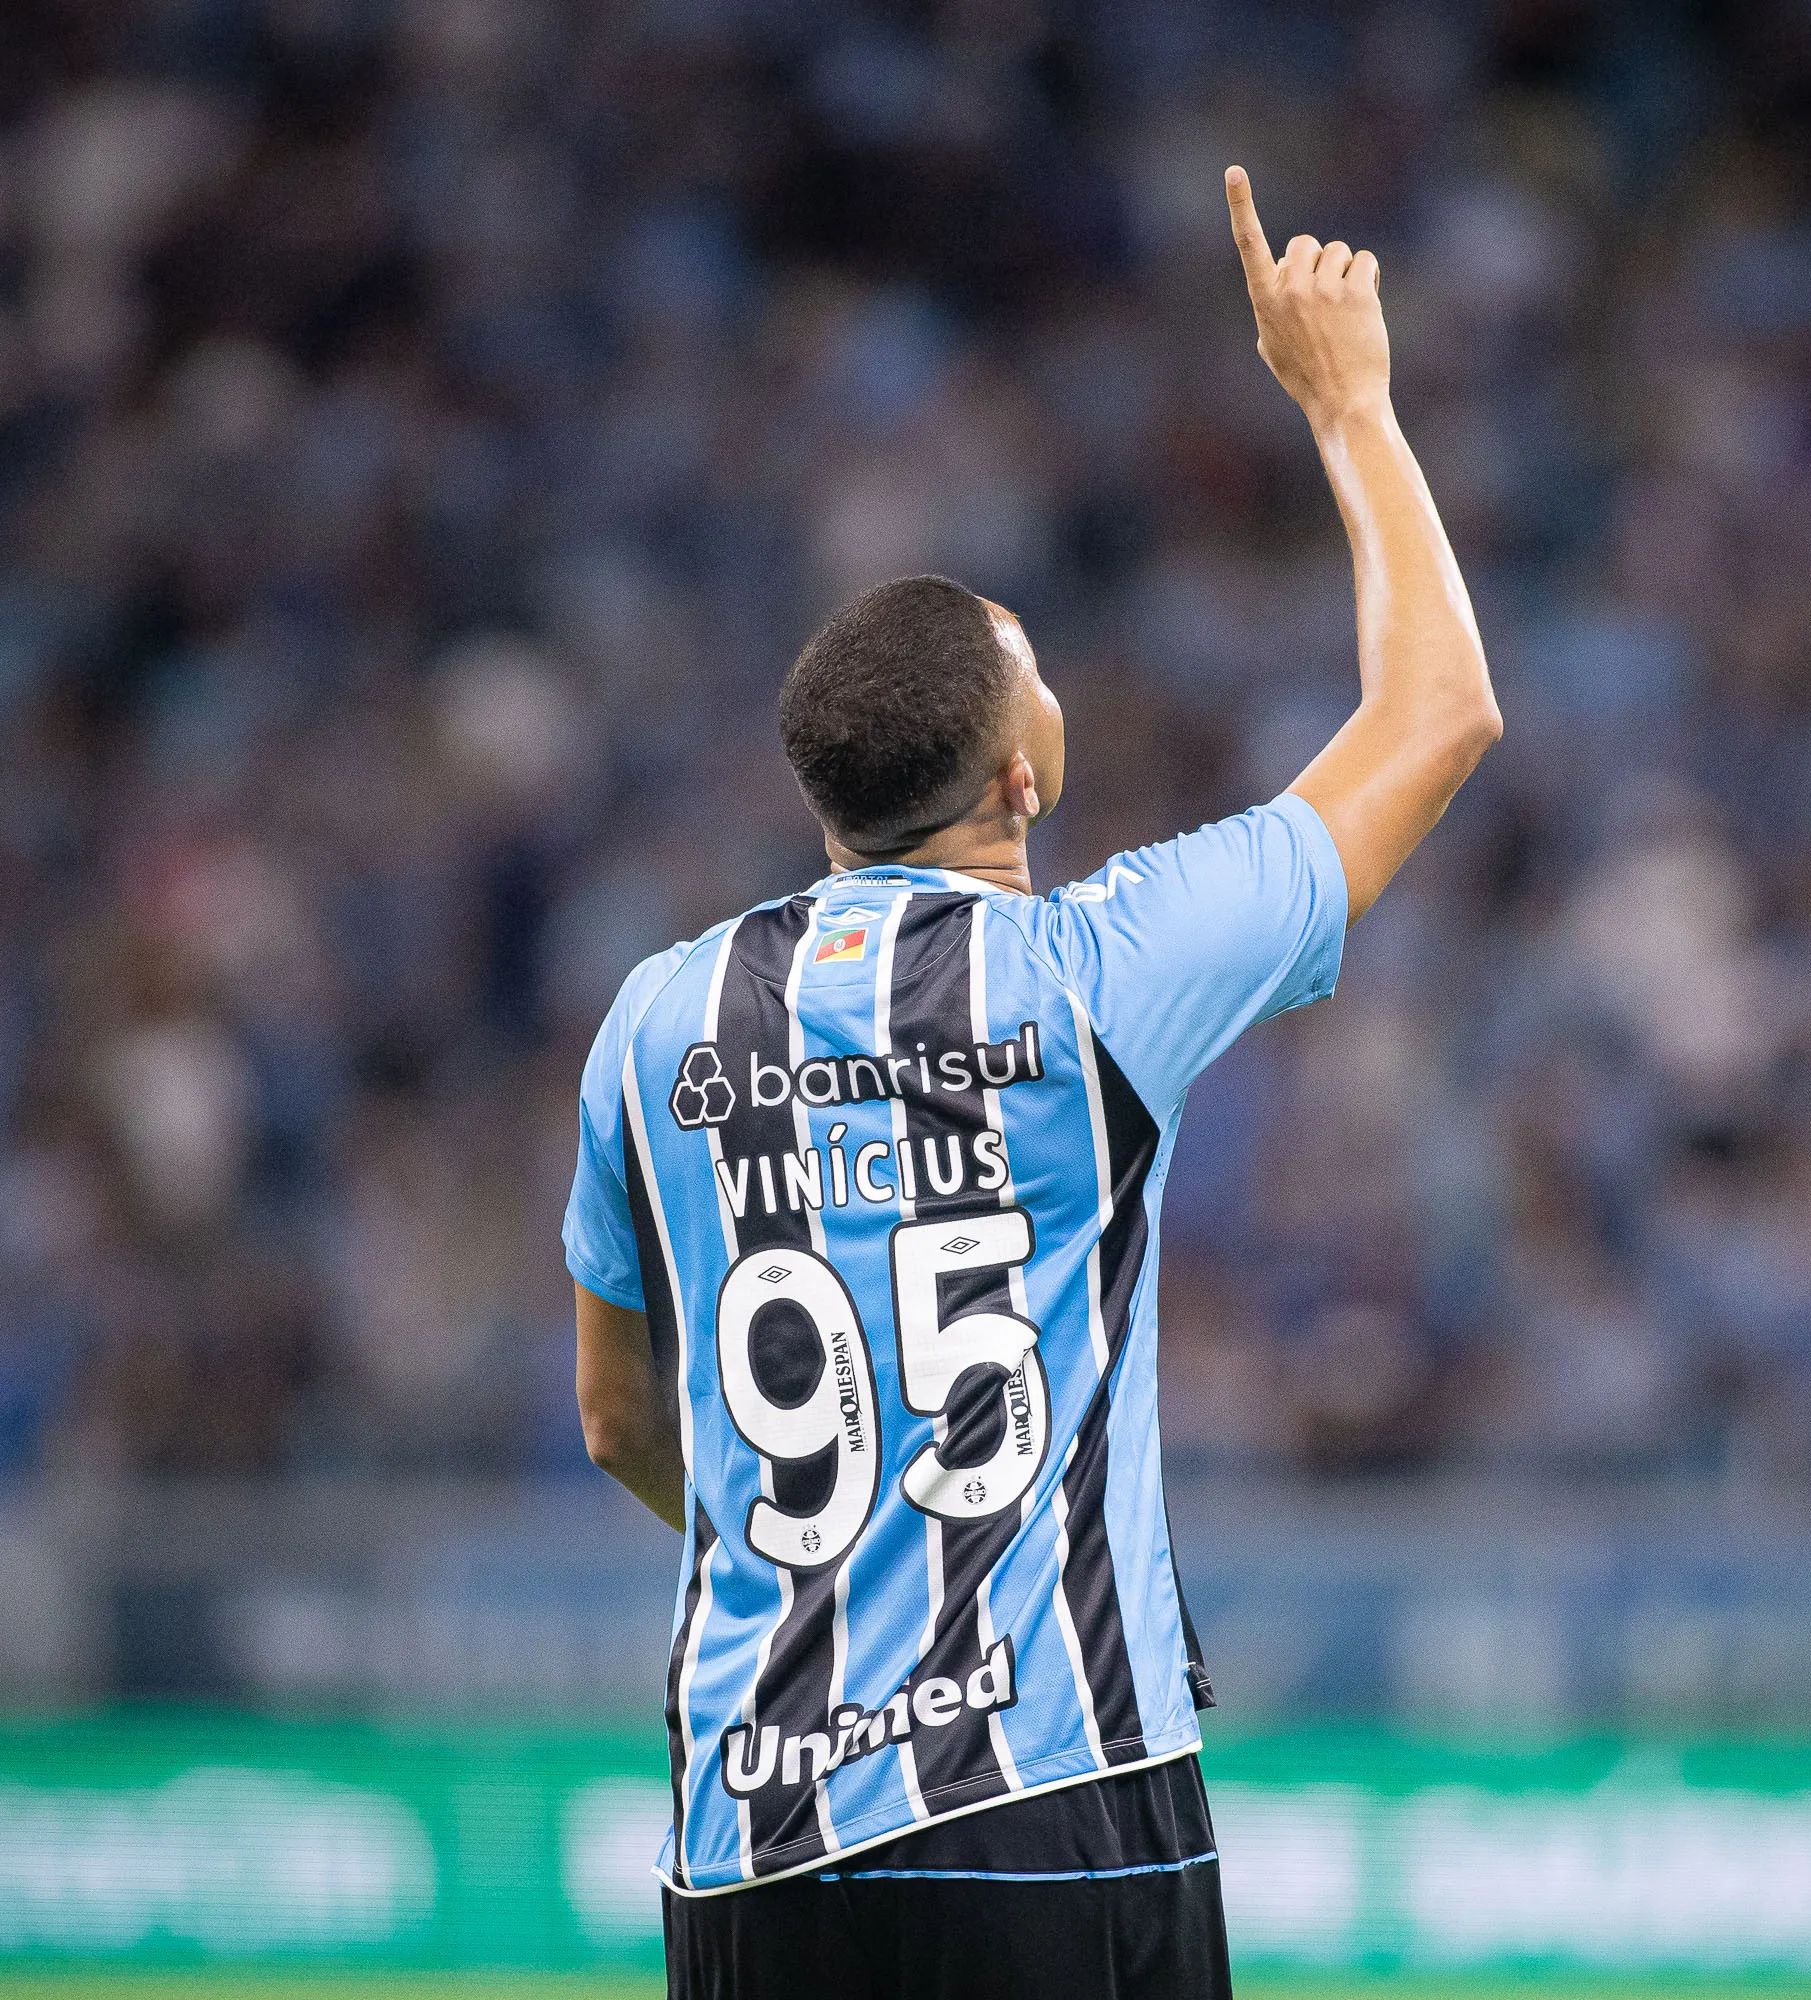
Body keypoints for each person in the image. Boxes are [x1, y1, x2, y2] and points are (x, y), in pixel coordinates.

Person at [564, 166, 1496, 2000]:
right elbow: (1438, 714)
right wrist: (1351, 404)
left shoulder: (657, 1021)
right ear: (1021, 779)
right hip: (1058, 1797)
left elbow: (616, 1421)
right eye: (1035, 671)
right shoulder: (1094, 975)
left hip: (745, 1833)